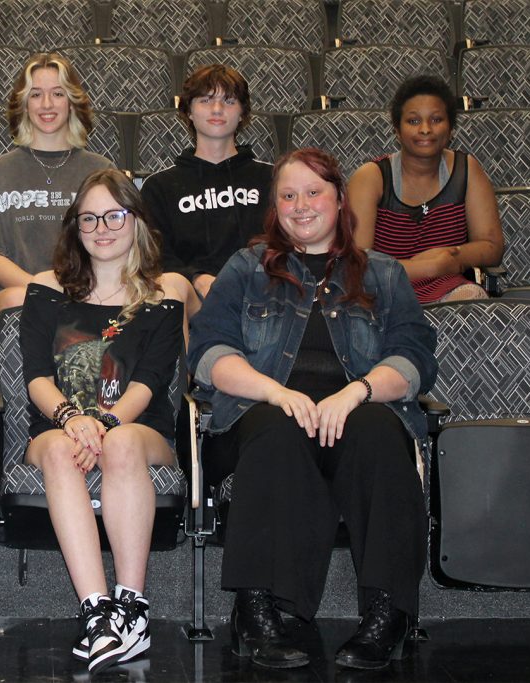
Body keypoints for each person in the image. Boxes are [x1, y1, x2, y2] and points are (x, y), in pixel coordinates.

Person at [188, 148, 438, 670]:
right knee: (274, 428)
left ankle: (385, 613)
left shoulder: (384, 274)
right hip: (264, 414)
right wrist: (275, 392)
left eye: (313, 192)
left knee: (376, 430)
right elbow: (208, 355)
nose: (300, 205)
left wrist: (357, 391)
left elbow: (415, 359)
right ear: (274, 207)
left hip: (353, 414)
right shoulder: (246, 268)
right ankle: (257, 611)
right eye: (287, 195)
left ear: (340, 199)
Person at [20, 169, 198, 673]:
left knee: (120, 446)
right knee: (57, 449)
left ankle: (132, 608)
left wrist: (102, 422)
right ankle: (97, 612)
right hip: (58, 424)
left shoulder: (163, 295)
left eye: (114, 215)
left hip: (140, 427)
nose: (101, 228)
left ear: (136, 221)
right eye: (88, 218)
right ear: (74, 227)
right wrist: (71, 418)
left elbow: (149, 382)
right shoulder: (46, 289)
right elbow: (35, 376)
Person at [0, 52, 115, 320]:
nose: (47, 104)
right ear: (24, 104)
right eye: (35, 94)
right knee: (21, 299)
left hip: (88, 293)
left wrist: (78, 292)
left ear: (71, 101)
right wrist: (43, 289)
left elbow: (117, 246)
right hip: (14, 294)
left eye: (57, 93)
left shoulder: (101, 171)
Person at [348, 74, 504, 304]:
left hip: (447, 286)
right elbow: (358, 261)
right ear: (397, 130)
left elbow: (492, 247)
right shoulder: (371, 177)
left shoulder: (466, 169)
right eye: (413, 121)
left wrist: (455, 257)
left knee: (472, 298)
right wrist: (434, 266)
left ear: (450, 129)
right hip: (386, 288)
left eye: (436, 119)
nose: (425, 129)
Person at [141, 64, 272, 300]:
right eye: (205, 100)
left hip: (261, 295)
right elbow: (157, 254)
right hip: (192, 298)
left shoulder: (272, 179)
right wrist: (197, 278)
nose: (217, 109)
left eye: (229, 101)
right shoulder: (160, 187)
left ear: (242, 112)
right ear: (189, 111)